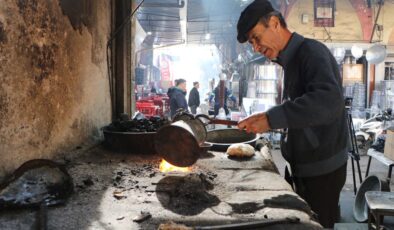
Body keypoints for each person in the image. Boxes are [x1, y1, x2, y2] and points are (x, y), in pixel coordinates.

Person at [236, 0, 348, 228]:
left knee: (316, 225)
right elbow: (300, 110)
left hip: (323, 170)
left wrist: (272, 119)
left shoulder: (311, 52)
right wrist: (267, 117)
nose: (256, 48)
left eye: (256, 38)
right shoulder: (290, 60)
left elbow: (328, 101)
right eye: (251, 43)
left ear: (275, 23)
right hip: (306, 166)